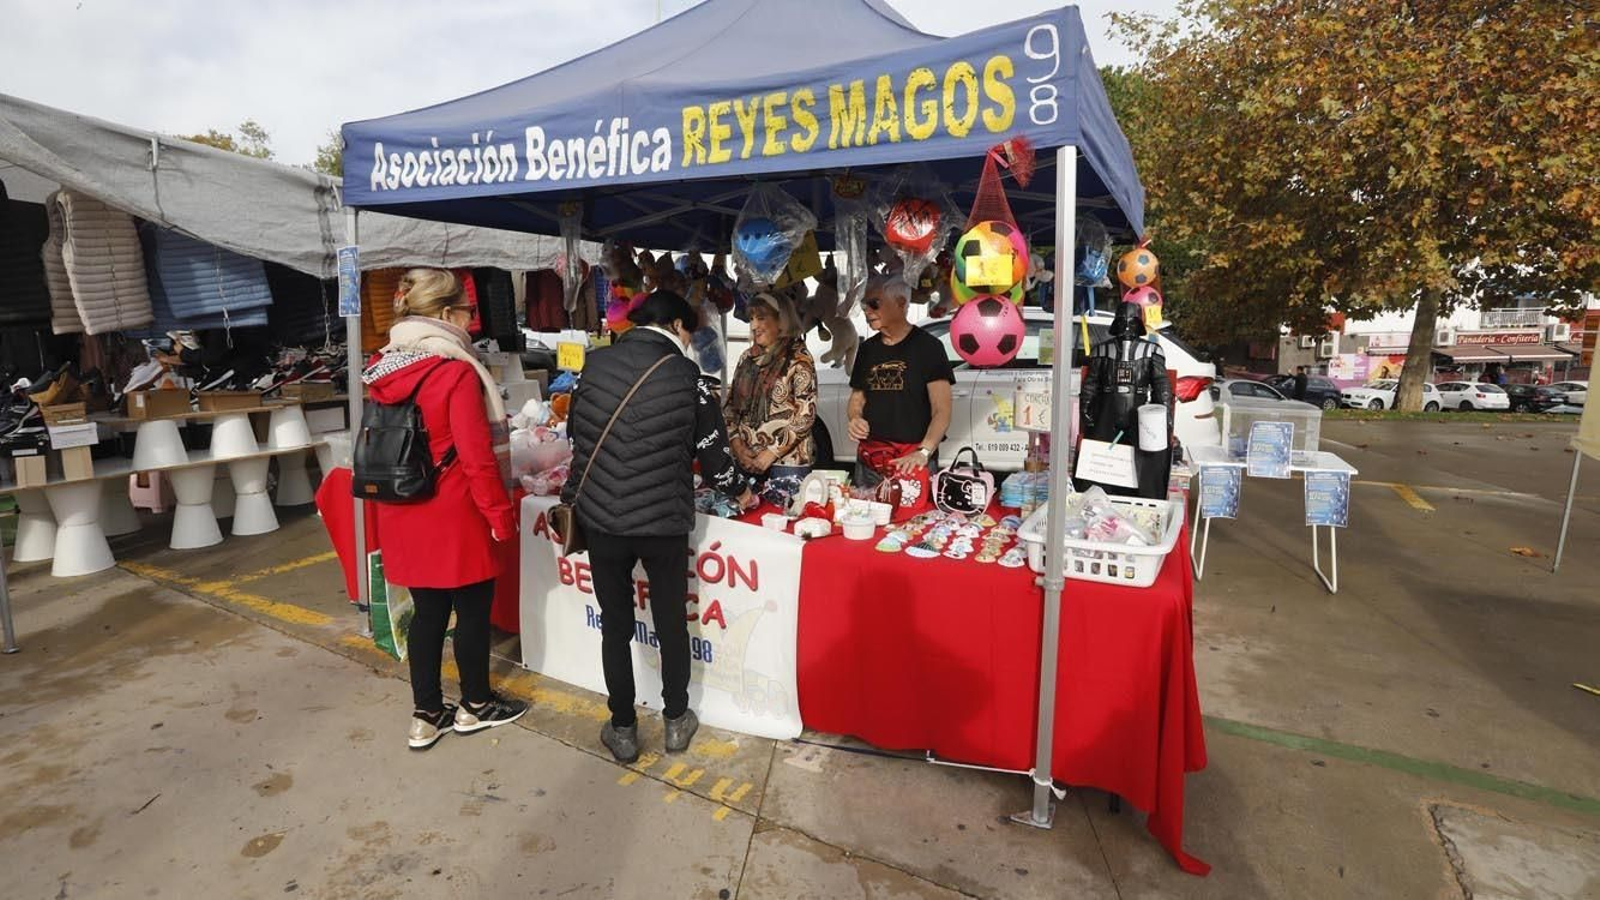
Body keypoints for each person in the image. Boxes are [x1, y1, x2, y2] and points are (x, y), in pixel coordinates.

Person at [563, 290, 754, 763]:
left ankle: (623, 729)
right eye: (689, 332)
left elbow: (576, 437)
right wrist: (742, 492)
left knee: (615, 625)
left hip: (602, 520)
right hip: (662, 522)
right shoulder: (689, 378)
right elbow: (715, 460)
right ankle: (675, 721)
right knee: (670, 621)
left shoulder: (593, 366)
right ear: (676, 325)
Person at [363, 268, 527, 751]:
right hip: (454, 510)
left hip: (402, 505)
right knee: (472, 612)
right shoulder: (454, 371)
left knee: (428, 614)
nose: (471, 322)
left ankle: (427, 714)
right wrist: (499, 514)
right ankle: (476, 703)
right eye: (468, 312)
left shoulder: (383, 367)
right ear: (447, 314)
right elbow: (477, 458)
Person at [847, 274, 954, 476]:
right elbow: (857, 399)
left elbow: (942, 410)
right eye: (864, 305)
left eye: (874, 303)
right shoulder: (867, 349)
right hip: (870, 459)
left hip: (912, 460)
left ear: (901, 302)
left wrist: (924, 452)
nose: (867, 311)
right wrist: (855, 419)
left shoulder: (929, 347)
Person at [725, 292, 818, 506]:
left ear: (782, 320)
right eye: (751, 319)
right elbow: (730, 408)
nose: (754, 326)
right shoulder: (747, 358)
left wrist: (771, 453)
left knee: (783, 519)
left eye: (761, 318)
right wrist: (737, 447)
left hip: (786, 463)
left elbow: (805, 415)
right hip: (746, 459)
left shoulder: (798, 359)